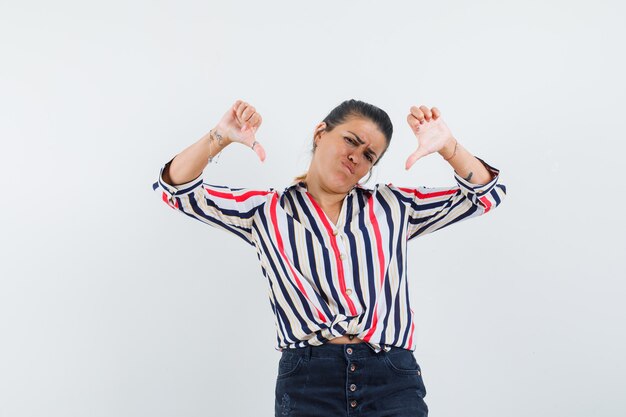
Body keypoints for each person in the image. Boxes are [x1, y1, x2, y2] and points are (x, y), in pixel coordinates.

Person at [152, 99, 506, 417]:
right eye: (351, 140)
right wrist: (220, 136)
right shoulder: (265, 210)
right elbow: (177, 192)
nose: (357, 156)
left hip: (392, 377)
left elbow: (485, 196)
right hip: (308, 380)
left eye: (369, 155)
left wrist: (448, 147)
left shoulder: (394, 206)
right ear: (321, 133)